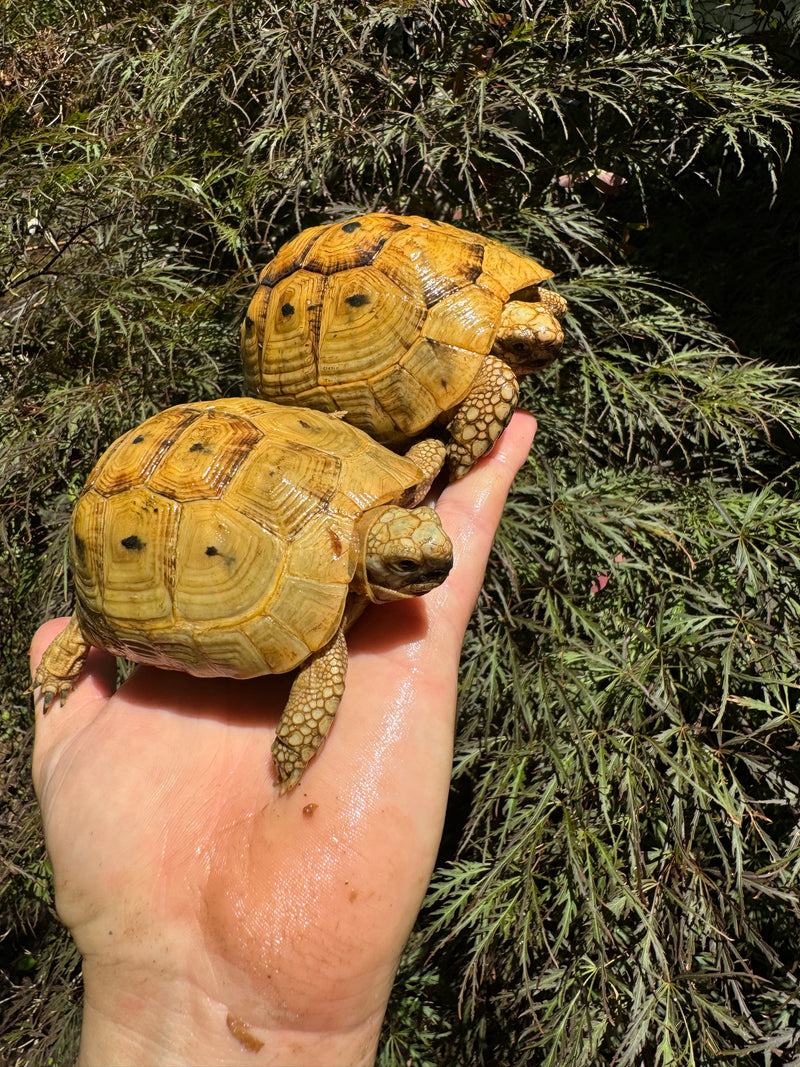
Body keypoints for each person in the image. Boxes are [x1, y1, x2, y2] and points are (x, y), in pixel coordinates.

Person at [29, 412, 537, 1067]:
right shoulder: (326, 651)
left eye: (424, 553)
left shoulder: (383, 519)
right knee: (324, 663)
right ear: (378, 565)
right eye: (410, 566)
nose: (430, 570)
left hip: (228, 447)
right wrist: (293, 754)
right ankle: (89, 626)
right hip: (165, 517)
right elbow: (321, 666)